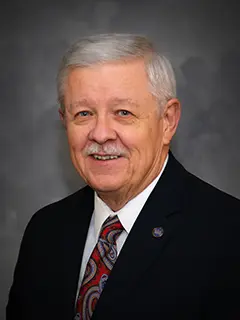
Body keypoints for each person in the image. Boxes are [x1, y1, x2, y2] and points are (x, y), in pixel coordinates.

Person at [6, 34, 240, 320]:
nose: (101, 133)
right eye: (83, 113)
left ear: (168, 121)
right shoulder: (44, 231)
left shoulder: (229, 234)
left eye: (123, 112)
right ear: (64, 120)